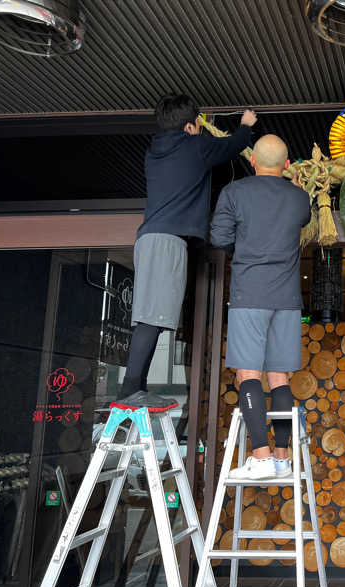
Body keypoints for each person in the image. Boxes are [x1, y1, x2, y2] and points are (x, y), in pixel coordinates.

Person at [117, 94, 257, 409]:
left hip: (151, 238)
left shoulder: (154, 152)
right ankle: (129, 389)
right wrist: (246, 125)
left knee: (151, 315)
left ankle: (135, 387)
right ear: (191, 126)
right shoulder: (195, 146)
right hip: (167, 241)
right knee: (152, 317)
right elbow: (232, 146)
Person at [210, 134, 310, 479]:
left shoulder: (234, 193)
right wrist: (294, 187)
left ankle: (262, 456)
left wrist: (248, 248)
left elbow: (220, 238)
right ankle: (282, 458)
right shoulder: (299, 198)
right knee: (279, 376)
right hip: (287, 299)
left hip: (249, 294)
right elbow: (302, 216)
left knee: (248, 374)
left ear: (252, 161)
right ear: (286, 165)